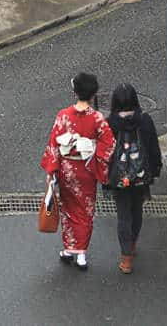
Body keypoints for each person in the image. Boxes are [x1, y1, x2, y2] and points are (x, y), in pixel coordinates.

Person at [40, 72, 114, 271]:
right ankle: (81, 253)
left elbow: (54, 143)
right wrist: (93, 155)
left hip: (67, 168)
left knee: (69, 208)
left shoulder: (63, 115)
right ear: (93, 94)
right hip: (87, 168)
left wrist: (52, 169)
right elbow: (109, 143)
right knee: (86, 210)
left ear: (75, 92)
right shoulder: (97, 118)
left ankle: (69, 248)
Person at [103, 83, 162, 274]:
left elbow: (104, 153)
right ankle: (133, 243)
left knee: (123, 216)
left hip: (119, 178)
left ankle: (126, 258)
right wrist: (155, 170)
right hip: (141, 175)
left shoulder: (110, 122)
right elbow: (153, 149)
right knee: (137, 210)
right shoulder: (144, 120)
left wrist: (104, 178)